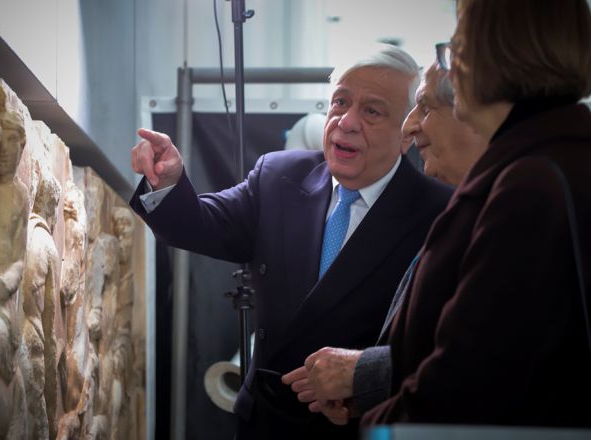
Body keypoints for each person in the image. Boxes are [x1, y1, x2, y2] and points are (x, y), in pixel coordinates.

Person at [129, 44, 452, 439]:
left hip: (361, 425)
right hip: (268, 421)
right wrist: (168, 182)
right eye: (340, 102)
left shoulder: (440, 212)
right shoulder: (280, 177)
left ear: (406, 134)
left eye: (372, 111)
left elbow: (443, 346)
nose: (346, 122)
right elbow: (199, 223)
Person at [360, 0, 591, 427]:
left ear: (496, 52)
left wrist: (376, 428)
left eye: (458, 42)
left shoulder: (530, 188)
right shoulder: (549, 164)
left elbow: (463, 389)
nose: (451, 62)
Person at [282, 62, 487, 426]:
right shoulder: (277, 177)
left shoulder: (514, 204)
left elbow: (486, 360)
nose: (413, 125)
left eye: (425, 108)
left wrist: (363, 375)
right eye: (339, 102)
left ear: (477, 113)